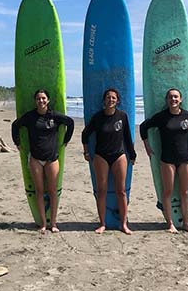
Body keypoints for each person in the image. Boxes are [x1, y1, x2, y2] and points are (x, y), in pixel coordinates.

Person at [11, 89, 75, 233]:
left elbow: (70, 123)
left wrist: (66, 140)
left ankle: (53, 223)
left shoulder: (54, 116)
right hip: (35, 159)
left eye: (44, 98)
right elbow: (15, 126)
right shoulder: (30, 117)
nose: (41, 101)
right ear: (35, 101)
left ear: (48, 100)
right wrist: (17, 142)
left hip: (52, 158)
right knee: (39, 191)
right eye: (39, 99)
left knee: (52, 191)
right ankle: (42, 224)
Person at [140, 88, 188, 233]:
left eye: (176, 97)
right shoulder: (162, 117)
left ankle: (186, 223)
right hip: (167, 160)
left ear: (180, 100)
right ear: (167, 100)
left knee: (185, 192)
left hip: (185, 159)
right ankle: (170, 224)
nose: (173, 99)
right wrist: (147, 146)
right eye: (170, 97)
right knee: (167, 191)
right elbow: (143, 127)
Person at [82, 88, 137, 235]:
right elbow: (85, 134)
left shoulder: (122, 116)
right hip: (101, 156)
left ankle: (124, 224)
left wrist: (132, 155)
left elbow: (127, 138)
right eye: (108, 97)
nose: (110, 100)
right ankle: (102, 223)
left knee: (121, 191)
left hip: (119, 155)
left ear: (117, 100)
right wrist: (86, 151)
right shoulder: (98, 117)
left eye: (113, 98)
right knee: (101, 191)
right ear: (104, 100)